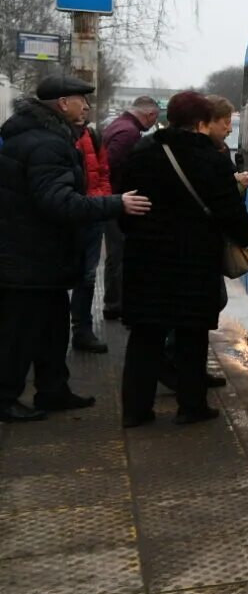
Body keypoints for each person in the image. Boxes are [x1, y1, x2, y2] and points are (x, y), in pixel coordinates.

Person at [0, 75, 151, 422]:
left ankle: (53, 391)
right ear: (62, 104)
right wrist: (114, 204)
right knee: (20, 333)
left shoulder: (40, 136)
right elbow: (58, 202)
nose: (86, 106)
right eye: (81, 100)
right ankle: (5, 397)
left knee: (52, 329)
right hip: (29, 258)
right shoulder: (46, 144)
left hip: (39, 257)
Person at [118, 90, 248, 428]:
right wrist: (243, 236)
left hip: (146, 260)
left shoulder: (142, 152)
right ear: (200, 122)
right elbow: (229, 211)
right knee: (191, 336)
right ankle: (191, 406)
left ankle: (136, 411)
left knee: (145, 336)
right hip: (194, 262)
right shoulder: (211, 159)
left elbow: (123, 205)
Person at [101, 95, 160, 321]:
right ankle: (117, 304)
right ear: (150, 115)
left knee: (114, 256)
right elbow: (109, 164)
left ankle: (113, 302)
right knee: (120, 255)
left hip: (112, 199)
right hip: (118, 201)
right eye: (154, 121)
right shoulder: (129, 133)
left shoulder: (118, 125)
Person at [70, 118, 113, 353]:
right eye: (80, 101)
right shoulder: (53, 134)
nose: (85, 108)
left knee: (87, 276)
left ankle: (82, 331)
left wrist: (100, 199)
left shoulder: (93, 135)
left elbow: (104, 171)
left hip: (91, 215)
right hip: (64, 214)